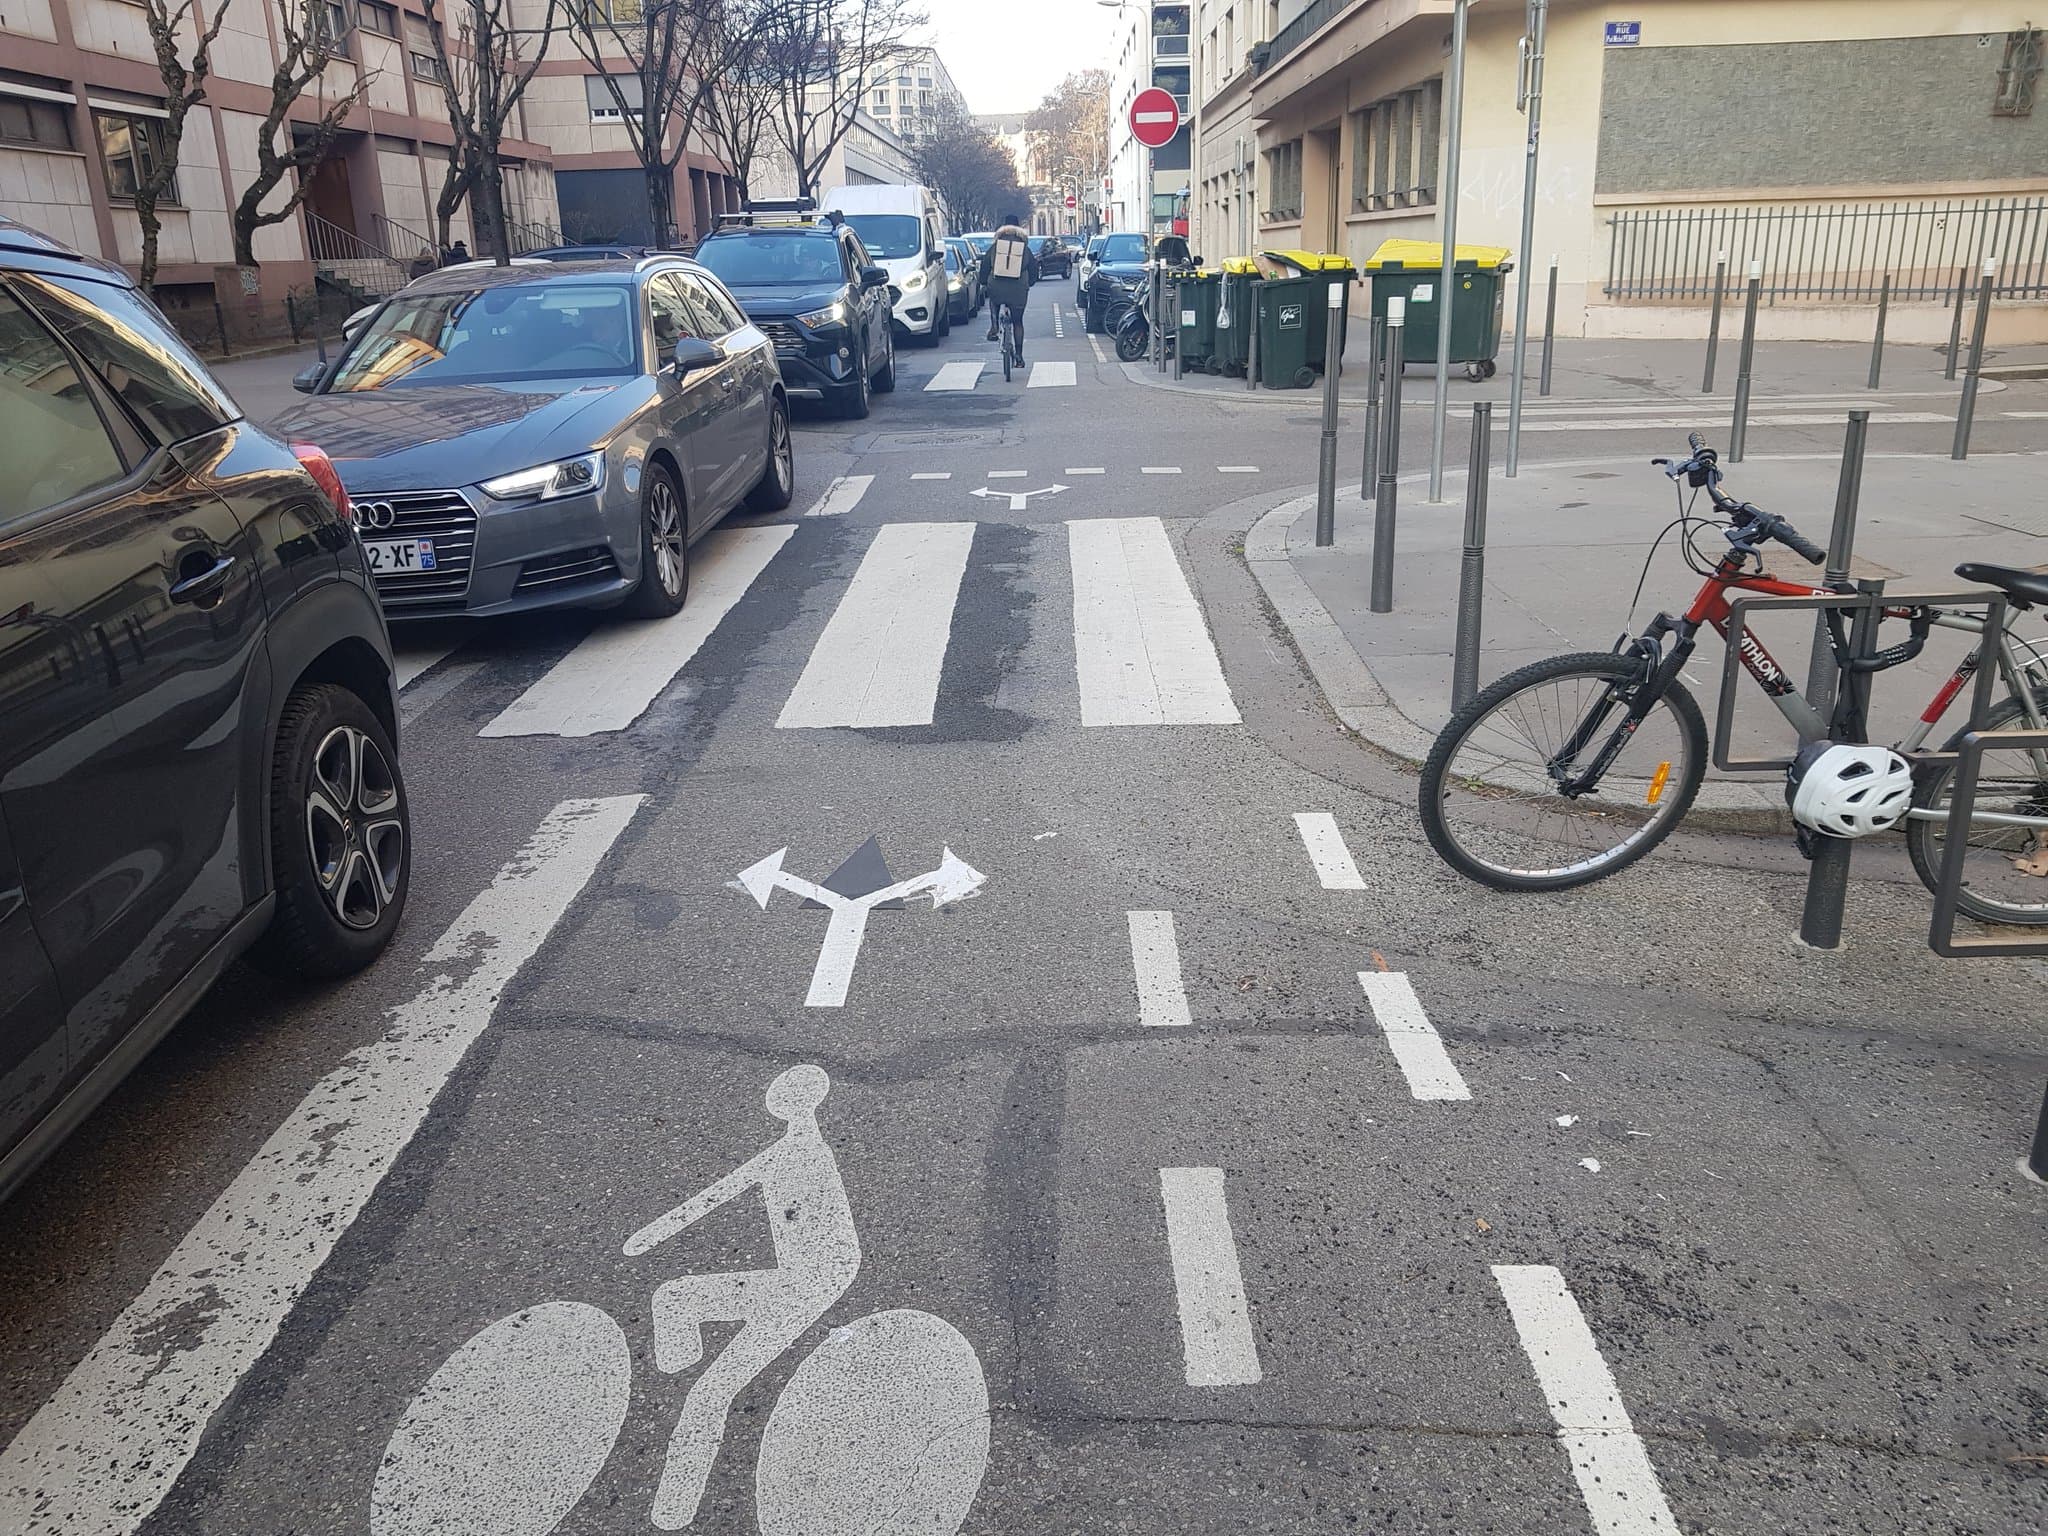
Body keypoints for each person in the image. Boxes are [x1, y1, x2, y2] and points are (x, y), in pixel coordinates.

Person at [978, 214, 1037, 361]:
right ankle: (1019, 355)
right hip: (1018, 289)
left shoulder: (995, 246)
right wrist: (1029, 283)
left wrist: (984, 282)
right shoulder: (1025, 248)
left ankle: (994, 326)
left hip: (996, 285)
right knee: (1018, 322)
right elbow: (1033, 269)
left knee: (994, 299)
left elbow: (985, 266)